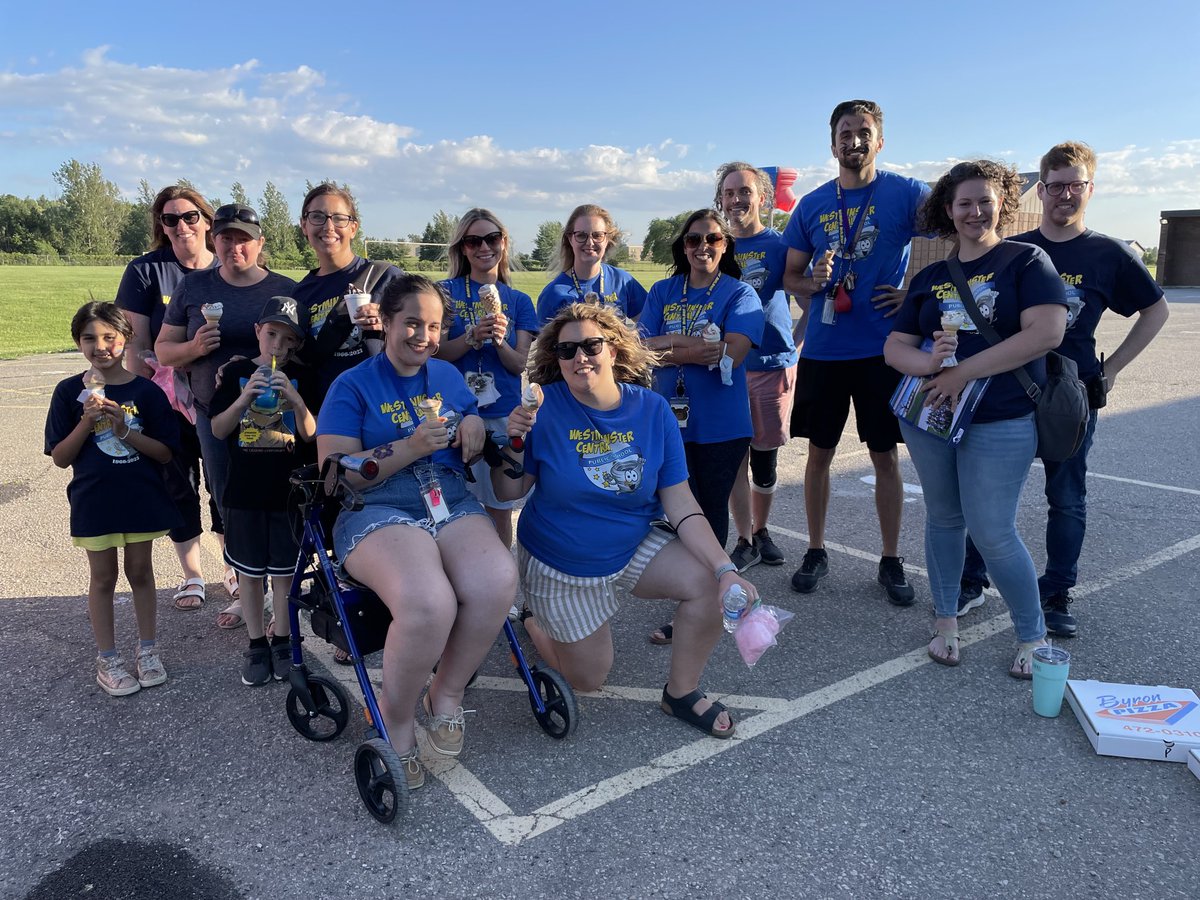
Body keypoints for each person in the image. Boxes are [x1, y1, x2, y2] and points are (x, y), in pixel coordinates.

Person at [495, 303, 756, 738]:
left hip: (631, 543)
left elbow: (682, 504)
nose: (580, 357)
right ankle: (535, 623)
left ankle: (682, 693)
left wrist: (725, 569)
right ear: (556, 360)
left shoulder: (652, 410)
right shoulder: (544, 407)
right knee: (589, 680)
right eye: (567, 350)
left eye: (591, 345)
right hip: (563, 563)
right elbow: (508, 494)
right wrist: (516, 442)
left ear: (613, 350)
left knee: (712, 587)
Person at [957, 142, 1168, 636]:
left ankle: (1056, 591)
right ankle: (971, 580)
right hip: (1008, 389)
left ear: (1090, 189)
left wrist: (1112, 368)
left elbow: (1155, 310)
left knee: (1065, 495)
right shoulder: (1013, 252)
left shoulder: (1107, 253)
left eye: (1076, 185)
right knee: (987, 495)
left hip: (1066, 398)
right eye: (1056, 186)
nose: (1065, 195)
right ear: (1043, 189)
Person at [317, 273, 516, 789]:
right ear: (385, 320)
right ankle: (396, 720)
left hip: (446, 498)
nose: (421, 336)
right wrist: (407, 447)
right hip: (375, 505)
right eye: (411, 323)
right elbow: (332, 472)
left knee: (497, 580)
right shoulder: (353, 384)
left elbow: (468, 417)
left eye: (432, 326)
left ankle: (445, 694)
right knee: (430, 602)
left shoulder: (448, 376)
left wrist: (472, 424)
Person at [884, 160, 1068, 677]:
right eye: (964, 202)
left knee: (992, 530)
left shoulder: (1025, 261)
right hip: (931, 418)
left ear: (1001, 204)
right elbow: (894, 346)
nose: (975, 211)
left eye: (985, 200)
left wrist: (960, 372)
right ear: (948, 209)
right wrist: (931, 364)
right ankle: (945, 620)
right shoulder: (930, 276)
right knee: (943, 518)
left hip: (1002, 417)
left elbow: (1046, 332)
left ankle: (1033, 634)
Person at [782, 99, 930, 605]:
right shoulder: (813, 204)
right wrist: (812, 282)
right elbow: (790, 275)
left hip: (883, 350)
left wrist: (915, 294)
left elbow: (960, 234)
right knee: (818, 455)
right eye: (845, 132)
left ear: (880, 141)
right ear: (832, 143)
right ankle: (817, 550)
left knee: (885, 456)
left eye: (864, 131)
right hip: (825, 350)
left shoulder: (907, 193)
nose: (854, 140)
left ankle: (890, 558)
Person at [155, 204, 296, 629]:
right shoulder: (194, 286)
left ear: (260, 242)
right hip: (215, 416)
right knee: (228, 499)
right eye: (226, 237)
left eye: (244, 238)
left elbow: (299, 348)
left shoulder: (283, 288)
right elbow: (164, 350)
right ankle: (244, 586)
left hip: (275, 418)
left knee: (278, 501)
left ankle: (281, 596)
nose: (235, 246)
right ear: (213, 240)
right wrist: (196, 348)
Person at [640, 210, 764, 647]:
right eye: (694, 239)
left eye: (712, 238)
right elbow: (640, 349)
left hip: (721, 426)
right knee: (675, 514)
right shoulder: (662, 290)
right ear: (683, 246)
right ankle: (697, 596)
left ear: (725, 245)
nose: (702, 246)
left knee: (708, 513)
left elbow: (733, 350)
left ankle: (708, 605)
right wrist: (693, 348)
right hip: (667, 422)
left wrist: (669, 345)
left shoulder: (741, 293)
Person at [45, 302, 180, 696]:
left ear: (126, 339)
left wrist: (123, 428)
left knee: (140, 572)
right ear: (78, 343)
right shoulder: (69, 392)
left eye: (109, 337)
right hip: (94, 499)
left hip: (140, 496)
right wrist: (87, 421)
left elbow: (166, 452)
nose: (100, 346)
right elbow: (60, 457)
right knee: (103, 577)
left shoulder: (146, 391)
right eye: (89, 338)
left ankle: (148, 651)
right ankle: (107, 658)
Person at [115, 184, 220, 613]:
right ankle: (193, 575)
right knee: (179, 486)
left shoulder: (227, 265)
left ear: (206, 220)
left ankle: (233, 571)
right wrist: (155, 387)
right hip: (166, 401)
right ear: (161, 225)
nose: (181, 226)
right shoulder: (146, 271)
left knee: (223, 484)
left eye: (190, 216)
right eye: (170, 219)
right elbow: (135, 346)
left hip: (217, 399)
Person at [209, 296, 316, 686]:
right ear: (258, 332)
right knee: (251, 575)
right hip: (245, 494)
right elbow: (219, 429)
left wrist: (297, 399)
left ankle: (283, 641)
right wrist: (243, 397)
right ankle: (256, 644)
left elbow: (311, 434)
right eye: (271, 335)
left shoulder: (304, 376)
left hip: (287, 495)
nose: (278, 347)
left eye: (288, 340)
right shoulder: (237, 371)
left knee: (285, 576)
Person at [436, 208, 538, 547]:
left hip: (501, 416)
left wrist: (498, 340)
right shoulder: (445, 292)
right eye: (473, 241)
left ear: (503, 243)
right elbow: (433, 353)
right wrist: (468, 338)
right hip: (455, 412)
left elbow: (518, 364)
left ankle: (500, 592)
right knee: (451, 507)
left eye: (492, 239)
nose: (484, 247)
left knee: (499, 507)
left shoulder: (519, 301)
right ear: (462, 248)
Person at [714, 162, 798, 572]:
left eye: (744, 191)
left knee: (764, 458)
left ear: (761, 197)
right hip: (729, 368)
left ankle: (762, 531)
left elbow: (811, 294)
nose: (736, 200)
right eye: (729, 193)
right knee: (735, 456)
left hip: (770, 364)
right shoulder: (717, 246)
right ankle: (744, 538)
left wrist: (796, 342)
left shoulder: (779, 246)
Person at [293, 183, 404, 406]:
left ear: (353, 227)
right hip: (329, 409)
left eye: (339, 218)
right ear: (304, 225)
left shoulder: (386, 277)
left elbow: (423, 336)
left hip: (383, 405)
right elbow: (297, 357)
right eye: (317, 217)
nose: (328, 226)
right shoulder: (300, 292)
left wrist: (387, 322)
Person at [536, 204, 648, 325]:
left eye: (597, 235)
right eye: (581, 235)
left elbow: (648, 328)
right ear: (570, 239)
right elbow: (545, 342)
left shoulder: (623, 281)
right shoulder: (553, 293)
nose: (589, 242)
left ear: (607, 239)